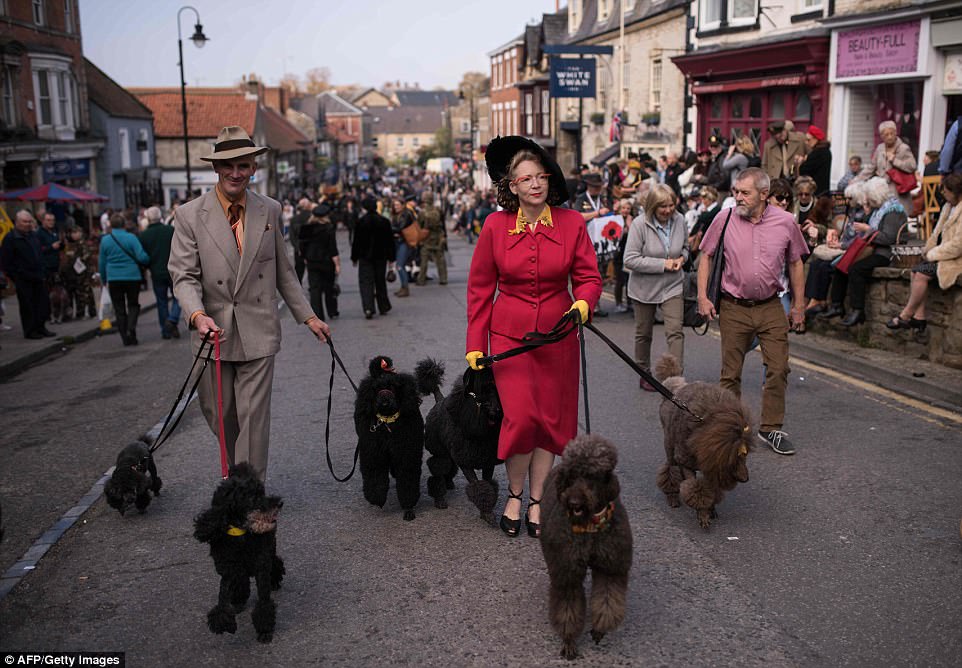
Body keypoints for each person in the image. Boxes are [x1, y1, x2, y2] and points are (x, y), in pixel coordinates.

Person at [169, 126, 330, 482]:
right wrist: (196, 315)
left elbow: (284, 270)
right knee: (220, 415)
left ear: (254, 168)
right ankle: (236, 472)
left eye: (243, 166)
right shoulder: (189, 215)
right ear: (216, 169)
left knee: (254, 417)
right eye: (228, 166)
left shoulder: (270, 210)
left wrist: (309, 316)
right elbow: (183, 276)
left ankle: (247, 490)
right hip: (213, 332)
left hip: (259, 328)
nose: (235, 173)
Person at [466, 135, 602, 538]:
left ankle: (538, 500)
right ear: (512, 186)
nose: (536, 184)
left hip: (559, 338)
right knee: (522, 418)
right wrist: (475, 345)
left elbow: (590, 277)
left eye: (541, 176)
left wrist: (585, 303)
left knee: (550, 424)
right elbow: (479, 290)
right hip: (509, 340)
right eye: (526, 179)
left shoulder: (572, 223)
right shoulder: (495, 225)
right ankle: (513, 493)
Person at [696, 168, 808, 456]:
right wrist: (703, 297)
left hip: (771, 305)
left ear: (763, 194)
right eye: (736, 191)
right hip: (733, 306)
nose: (737, 197)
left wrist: (798, 306)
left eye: (744, 192)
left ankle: (771, 428)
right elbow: (705, 254)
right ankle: (732, 428)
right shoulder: (725, 217)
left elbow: (796, 262)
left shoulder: (785, 222)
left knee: (779, 367)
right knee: (730, 373)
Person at [622, 184, 688, 390]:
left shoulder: (680, 220)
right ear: (652, 206)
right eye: (663, 207)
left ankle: (675, 377)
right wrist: (663, 264)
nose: (668, 211)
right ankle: (644, 373)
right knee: (644, 333)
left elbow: (685, 247)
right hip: (644, 287)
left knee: (675, 331)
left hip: (672, 285)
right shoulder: (639, 224)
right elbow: (630, 259)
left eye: (671, 205)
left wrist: (682, 258)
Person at [822, 177, 907, 327]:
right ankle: (837, 305)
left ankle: (858, 310)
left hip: (885, 253)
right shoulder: (878, 209)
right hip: (870, 249)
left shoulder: (893, 211)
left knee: (856, 269)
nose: (867, 200)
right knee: (841, 264)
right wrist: (867, 214)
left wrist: (868, 230)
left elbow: (888, 238)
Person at [886, 172, 962, 333]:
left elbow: (958, 245)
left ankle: (906, 315)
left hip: (955, 259)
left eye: (947, 192)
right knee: (915, 271)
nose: (944, 196)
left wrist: (934, 254)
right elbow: (936, 234)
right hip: (942, 254)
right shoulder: (948, 207)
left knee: (920, 274)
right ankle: (919, 318)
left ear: (956, 192)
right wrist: (929, 249)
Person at [0, 210, 55, 339]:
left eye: (30, 221)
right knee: (28, 306)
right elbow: (6, 261)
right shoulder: (11, 238)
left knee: (42, 304)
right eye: (25, 222)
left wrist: (42, 270)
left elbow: (38, 254)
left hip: (38, 276)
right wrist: (16, 276)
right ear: (17, 222)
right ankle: (30, 331)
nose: (28, 224)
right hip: (23, 278)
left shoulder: (33, 236)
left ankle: (41, 327)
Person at [99, 213, 150, 346]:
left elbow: (102, 262)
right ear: (124, 224)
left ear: (111, 225)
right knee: (133, 304)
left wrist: (103, 279)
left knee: (119, 308)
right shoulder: (131, 238)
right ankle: (131, 327)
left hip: (114, 278)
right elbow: (142, 256)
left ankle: (125, 337)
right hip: (132, 276)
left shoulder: (105, 240)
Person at [139, 206, 181, 339]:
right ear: (160, 216)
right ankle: (173, 318)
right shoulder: (170, 230)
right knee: (178, 297)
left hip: (156, 272)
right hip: (173, 270)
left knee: (161, 302)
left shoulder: (144, 235)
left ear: (148, 218)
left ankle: (165, 329)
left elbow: (143, 256)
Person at [351, 196, 395, 319]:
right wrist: (392, 258)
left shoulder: (361, 222)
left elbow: (356, 242)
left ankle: (368, 307)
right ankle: (383, 305)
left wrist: (354, 257)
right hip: (381, 257)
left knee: (366, 282)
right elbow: (389, 242)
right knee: (380, 281)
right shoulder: (384, 221)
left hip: (365, 257)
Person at [858, 120, 917, 209]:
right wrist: (857, 179)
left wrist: (895, 160)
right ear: (881, 136)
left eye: (891, 133)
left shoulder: (903, 148)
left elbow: (912, 166)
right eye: (886, 135)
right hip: (881, 191)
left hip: (898, 192)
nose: (889, 137)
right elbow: (871, 167)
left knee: (896, 218)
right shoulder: (880, 148)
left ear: (896, 133)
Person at [298, 204, 340, 321]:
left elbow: (302, 245)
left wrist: (305, 257)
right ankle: (332, 311)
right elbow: (333, 248)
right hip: (327, 262)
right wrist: (337, 264)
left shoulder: (306, 228)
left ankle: (318, 314)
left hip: (312, 261)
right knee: (329, 287)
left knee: (314, 289)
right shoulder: (329, 228)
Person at [59, 225, 97, 320]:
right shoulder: (70, 245)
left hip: (83, 273)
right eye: (73, 233)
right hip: (72, 274)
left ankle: (88, 312)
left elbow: (86, 258)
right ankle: (77, 313)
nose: (75, 235)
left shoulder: (83, 244)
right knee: (77, 294)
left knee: (85, 294)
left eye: (77, 232)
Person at [416, 190, 447, 286]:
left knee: (424, 260)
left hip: (426, 237)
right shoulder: (438, 210)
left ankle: (421, 280)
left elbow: (419, 226)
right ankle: (443, 279)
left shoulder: (422, 212)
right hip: (438, 237)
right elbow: (443, 223)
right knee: (440, 260)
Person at [390, 197, 416, 298]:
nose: (395, 207)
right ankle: (403, 286)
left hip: (405, 242)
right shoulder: (397, 215)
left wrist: (391, 229)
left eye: (397, 205)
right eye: (394, 205)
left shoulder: (406, 214)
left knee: (400, 266)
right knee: (400, 265)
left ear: (402, 205)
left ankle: (405, 288)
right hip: (399, 241)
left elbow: (401, 228)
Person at [798, 125, 832, 196]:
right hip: (823, 191)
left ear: (816, 139)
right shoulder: (826, 151)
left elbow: (803, 171)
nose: (806, 142)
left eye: (808, 140)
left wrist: (801, 162)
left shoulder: (817, 153)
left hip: (815, 192)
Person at [613, 198, 633, 313]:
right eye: (624, 208)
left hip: (629, 253)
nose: (625, 210)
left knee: (630, 280)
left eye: (628, 208)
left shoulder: (632, 221)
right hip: (618, 254)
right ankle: (618, 302)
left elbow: (634, 235)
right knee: (619, 279)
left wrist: (629, 224)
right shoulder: (615, 220)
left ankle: (629, 303)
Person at [289, 198, 312, 285]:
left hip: (298, 248)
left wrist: (296, 247)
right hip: (311, 248)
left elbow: (292, 237)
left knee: (299, 270)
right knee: (312, 271)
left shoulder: (294, 219)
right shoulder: (312, 217)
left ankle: (298, 289)